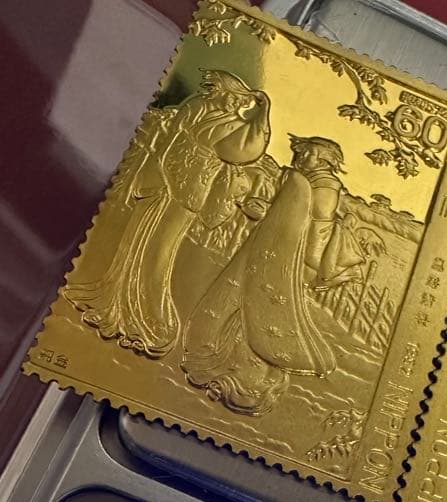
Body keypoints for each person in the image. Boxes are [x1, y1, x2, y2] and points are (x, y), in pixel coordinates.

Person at [65, 71, 271, 357]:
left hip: (186, 191)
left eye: (232, 98)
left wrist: (262, 114)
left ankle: (147, 315)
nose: (230, 102)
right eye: (227, 96)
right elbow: (174, 142)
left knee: (160, 251)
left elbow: (245, 150)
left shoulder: (231, 124)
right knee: (136, 240)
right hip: (163, 182)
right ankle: (116, 302)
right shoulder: (196, 107)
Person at [182, 135, 341, 416]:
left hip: (291, 260)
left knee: (263, 310)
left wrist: (272, 219)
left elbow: (313, 231)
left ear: (325, 160)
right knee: (243, 300)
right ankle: (223, 363)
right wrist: (267, 212)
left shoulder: (324, 187)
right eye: (301, 152)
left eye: (309, 153)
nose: (301, 157)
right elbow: (286, 216)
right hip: (270, 250)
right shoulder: (299, 180)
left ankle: (249, 380)